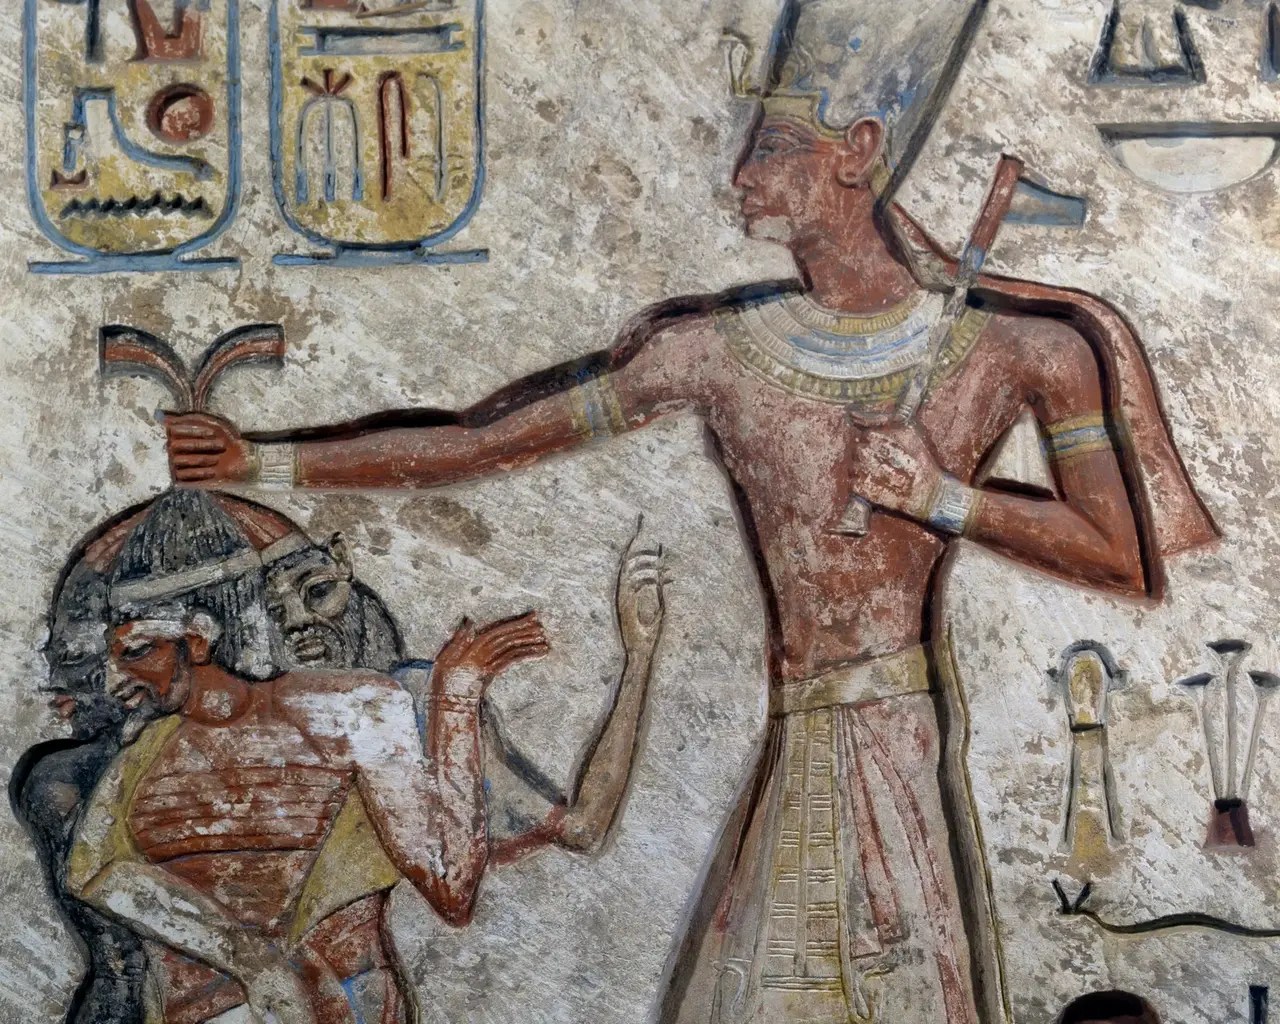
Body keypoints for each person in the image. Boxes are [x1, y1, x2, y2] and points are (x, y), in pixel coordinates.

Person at [162, 2, 1217, 1020]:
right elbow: (486, 439)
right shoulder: (714, 352)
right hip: (803, 734)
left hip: (893, 735)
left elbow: (1120, 556)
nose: (740, 175)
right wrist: (266, 460)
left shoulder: (1021, 350)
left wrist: (944, 498)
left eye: (774, 147)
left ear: (856, 151)